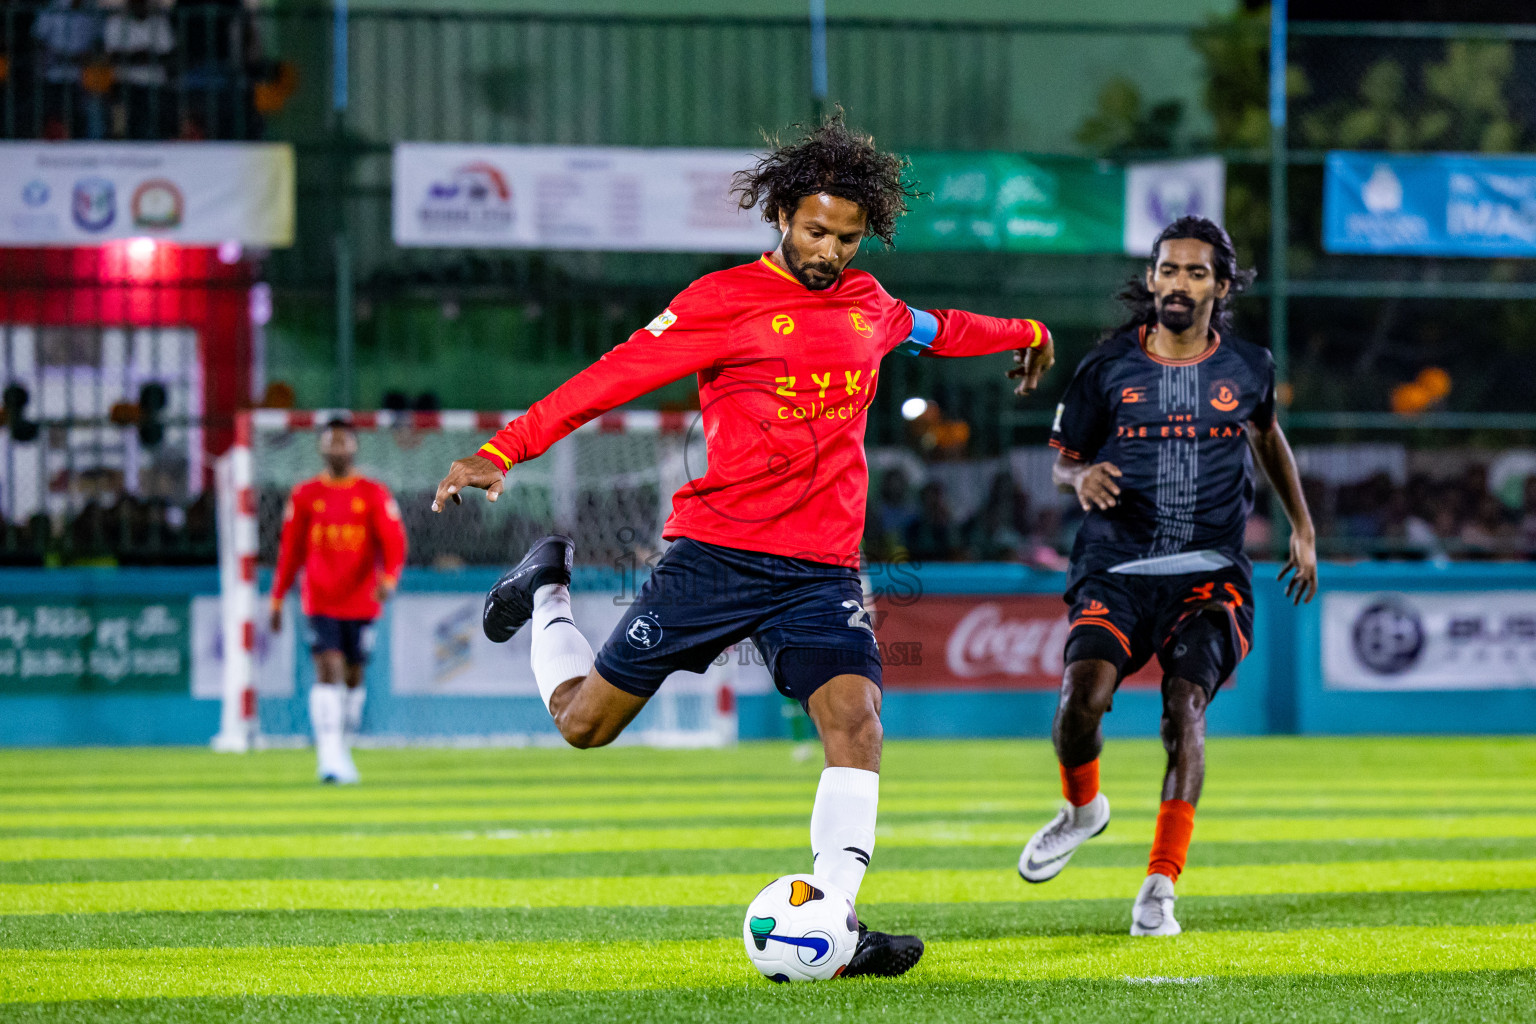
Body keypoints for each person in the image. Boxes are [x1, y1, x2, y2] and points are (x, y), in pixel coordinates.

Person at [431, 112, 1055, 978]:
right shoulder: (720, 302)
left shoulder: (870, 306)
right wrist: (502, 449)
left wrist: (1028, 332)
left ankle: (836, 923)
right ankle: (546, 589)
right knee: (585, 726)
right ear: (782, 215)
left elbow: (939, 328)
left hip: (822, 569)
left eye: (847, 237)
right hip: (716, 556)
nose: (829, 250)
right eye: (814, 230)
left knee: (856, 722)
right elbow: (604, 380)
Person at [1018, 216, 1317, 937]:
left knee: (1185, 707)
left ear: (1220, 285)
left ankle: (1159, 884)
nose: (1177, 284)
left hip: (1211, 576)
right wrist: (1079, 475)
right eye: (1166, 269)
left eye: (1193, 272)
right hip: (1116, 569)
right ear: (1150, 278)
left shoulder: (1250, 366)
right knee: (1079, 701)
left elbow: (1266, 435)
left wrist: (1302, 527)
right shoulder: (1106, 368)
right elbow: (1061, 461)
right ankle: (1083, 809)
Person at [271, 419, 406, 784]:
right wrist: (277, 597)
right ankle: (329, 755)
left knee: (353, 676)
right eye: (331, 442)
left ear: (354, 447)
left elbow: (394, 542)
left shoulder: (373, 493)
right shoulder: (304, 495)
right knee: (328, 668)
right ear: (321, 448)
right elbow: (291, 549)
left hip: (362, 601)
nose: (337, 448)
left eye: (343, 441)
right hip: (320, 599)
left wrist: (389, 579)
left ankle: (342, 746)